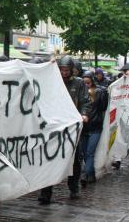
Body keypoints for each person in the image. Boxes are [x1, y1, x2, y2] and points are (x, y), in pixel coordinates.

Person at [38, 56, 89, 204]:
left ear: (72, 70)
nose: (64, 72)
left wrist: (84, 114)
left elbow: (85, 101)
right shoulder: (52, 81)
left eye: (66, 70)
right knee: (50, 158)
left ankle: (74, 187)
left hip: (72, 127)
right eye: (61, 69)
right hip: (54, 126)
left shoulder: (79, 83)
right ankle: (45, 192)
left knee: (74, 159)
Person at [80, 71, 108, 185]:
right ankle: (91, 175)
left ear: (92, 82)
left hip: (95, 127)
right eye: (84, 83)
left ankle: (86, 174)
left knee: (90, 152)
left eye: (88, 83)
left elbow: (103, 108)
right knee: (85, 152)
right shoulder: (80, 93)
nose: (86, 85)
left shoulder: (100, 92)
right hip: (83, 127)